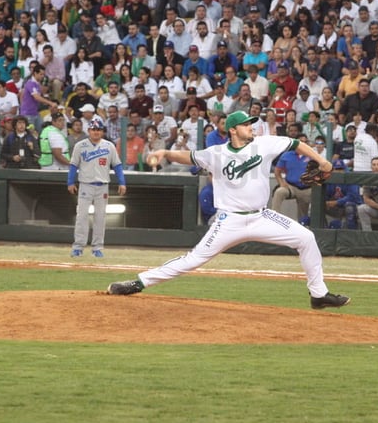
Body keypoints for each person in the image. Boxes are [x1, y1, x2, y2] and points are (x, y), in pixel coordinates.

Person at [107, 111, 350, 310]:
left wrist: (322, 161)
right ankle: (138, 282)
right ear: (233, 130)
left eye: (252, 124)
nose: (251, 127)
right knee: (193, 259)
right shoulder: (217, 154)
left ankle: (318, 295)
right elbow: (189, 156)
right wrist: (165, 153)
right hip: (229, 221)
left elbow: (296, 143)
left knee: (306, 238)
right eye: (246, 124)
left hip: (261, 216)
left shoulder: (264, 144)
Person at [67, 118, 127, 258]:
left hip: (102, 186)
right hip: (85, 185)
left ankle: (97, 247)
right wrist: (70, 182)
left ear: (102, 131)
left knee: (100, 218)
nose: (96, 132)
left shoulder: (109, 146)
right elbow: (73, 165)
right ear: (89, 131)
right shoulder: (80, 146)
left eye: (98, 129)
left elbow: (117, 165)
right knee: (81, 217)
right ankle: (78, 247)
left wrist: (122, 182)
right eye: (93, 129)